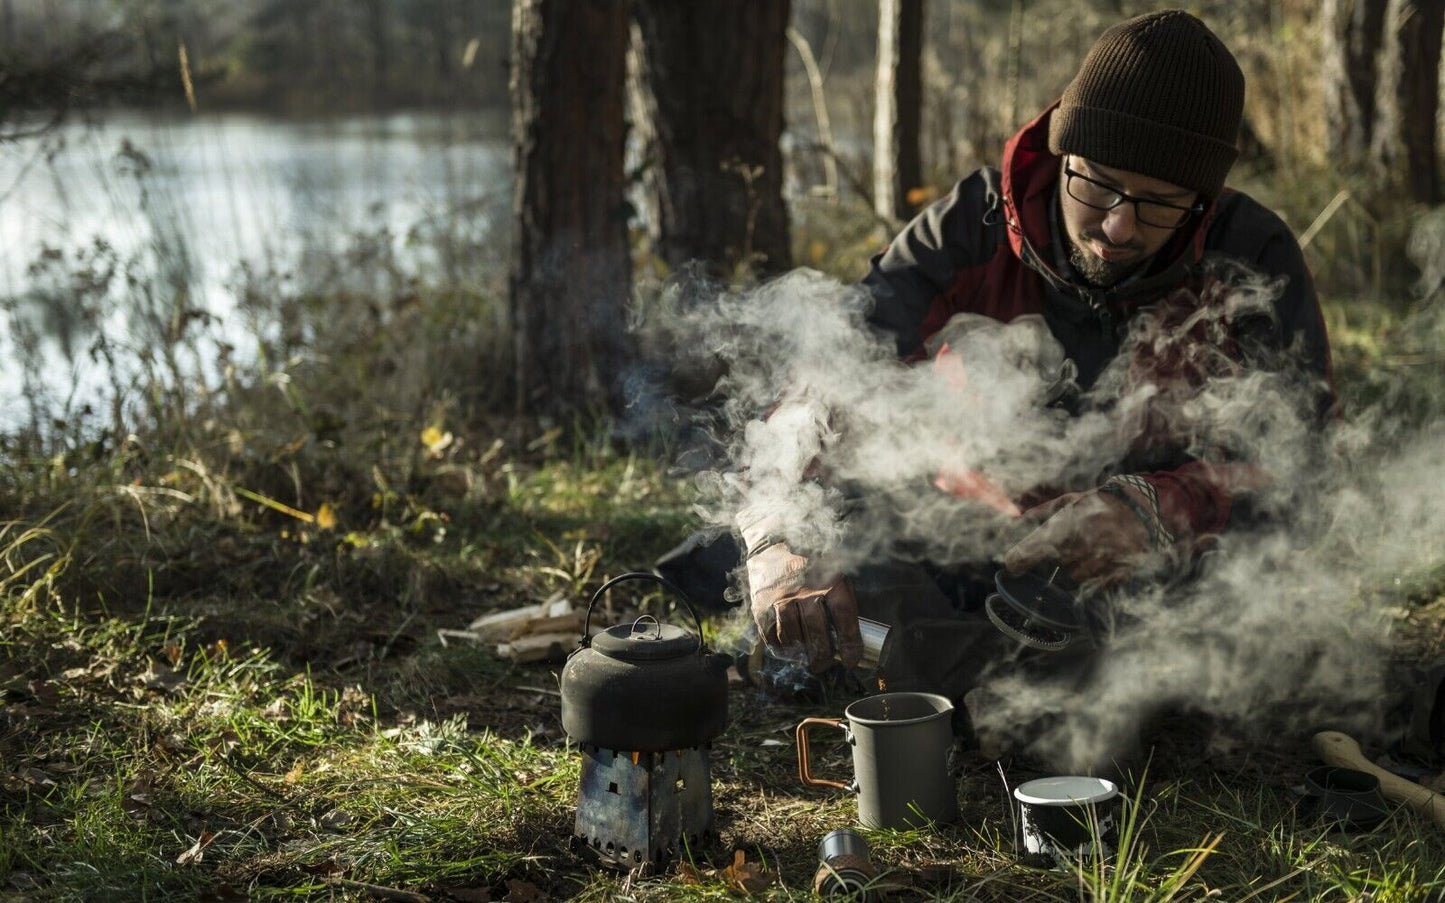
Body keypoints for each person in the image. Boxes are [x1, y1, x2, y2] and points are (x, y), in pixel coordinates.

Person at [731, 9, 1336, 731]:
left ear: (1200, 201)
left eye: (1158, 203)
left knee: (1255, 607)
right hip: (971, 540)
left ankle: (982, 677)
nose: (1117, 227)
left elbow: (1300, 458)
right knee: (835, 528)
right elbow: (827, 376)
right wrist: (783, 537)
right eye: (1098, 185)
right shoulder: (971, 226)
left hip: (1155, 570)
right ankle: (1002, 676)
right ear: (1061, 154)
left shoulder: (1250, 255)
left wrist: (1154, 510)